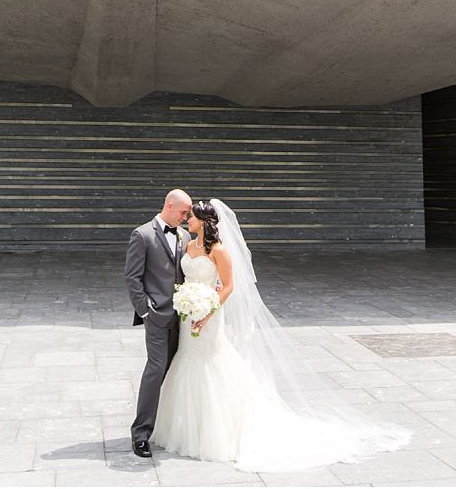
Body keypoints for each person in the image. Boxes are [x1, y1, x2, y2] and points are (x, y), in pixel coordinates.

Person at [152, 199, 409, 471]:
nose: (186, 219)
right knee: (187, 360)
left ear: (203, 221)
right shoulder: (188, 245)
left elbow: (228, 287)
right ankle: (187, 426)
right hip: (187, 315)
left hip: (209, 316)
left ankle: (216, 430)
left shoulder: (219, 250)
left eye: (190, 216)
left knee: (210, 363)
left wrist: (207, 312)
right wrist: (187, 303)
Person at [125, 188, 192, 457]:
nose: (186, 218)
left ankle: (170, 427)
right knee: (155, 370)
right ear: (169, 205)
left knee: (176, 371)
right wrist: (145, 311)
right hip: (156, 316)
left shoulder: (185, 236)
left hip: (183, 317)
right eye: (183, 212)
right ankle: (140, 433)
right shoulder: (142, 235)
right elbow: (132, 277)